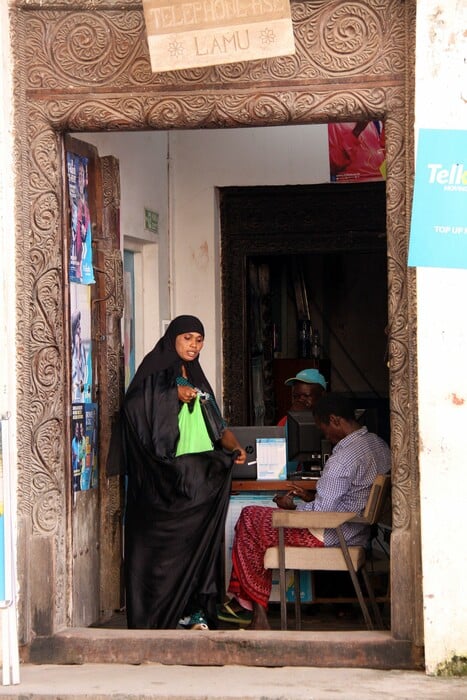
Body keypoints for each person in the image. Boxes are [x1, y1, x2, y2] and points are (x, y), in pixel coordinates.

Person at [113, 315, 246, 630]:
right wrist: (172, 395)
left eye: (199, 340)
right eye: (188, 338)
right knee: (164, 552)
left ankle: (195, 610)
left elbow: (217, 423)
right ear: (173, 338)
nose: (194, 345)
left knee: (199, 548)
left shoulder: (197, 378)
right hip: (164, 481)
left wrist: (235, 446)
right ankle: (162, 615)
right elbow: (132, 408)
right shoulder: (155, 372)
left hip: (198, 477)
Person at [220, 393, 391, 629]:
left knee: (250, 517)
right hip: (357, 532)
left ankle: (253, 611)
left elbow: (320, 513)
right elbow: (351, 496)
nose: (325, 436)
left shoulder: (343, 459)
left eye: (323, 429)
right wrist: (309, 498)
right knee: (258, 523)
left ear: (335, 420)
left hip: (332, 534)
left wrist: (294, 507)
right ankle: (248, 605)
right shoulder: (379, 445)